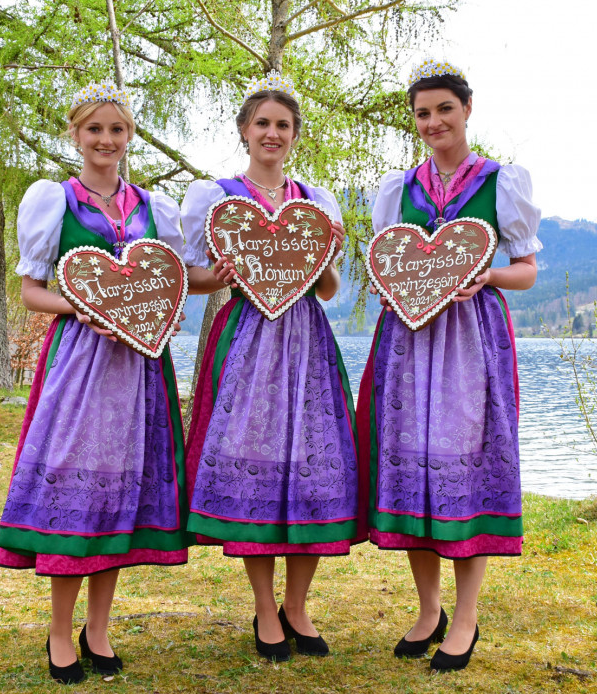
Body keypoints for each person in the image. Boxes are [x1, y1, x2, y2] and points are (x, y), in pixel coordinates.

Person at [0, 82, 189, 685]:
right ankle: (59, 631)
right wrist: (79, 308)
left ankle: (98, 628)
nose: (106, 141)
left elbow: (168, 283)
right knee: (72, 495)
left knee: (117, 497)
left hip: (138, 369)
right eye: (95, 130)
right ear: (76, 135)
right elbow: (29, 290)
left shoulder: (155, 209)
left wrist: (168, 307)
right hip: (80, 363)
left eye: (117, 130)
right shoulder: (56, 200)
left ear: (129, 136)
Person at [356, 59, 542, 673]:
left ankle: (466, 616)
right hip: (409, 342)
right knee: (417, 466)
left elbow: (527, 272)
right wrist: (397, 287)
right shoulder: (396, 189)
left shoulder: (500, 182)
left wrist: (481, 274)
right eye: (422, 113)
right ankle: (427, 609)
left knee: (463, 468)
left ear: (467, 111)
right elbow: (388, 264)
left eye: (444, 110)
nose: (434, 122)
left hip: (470, 342)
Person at [181, 71, 359, 662]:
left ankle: (298, 605)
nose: (272, 133)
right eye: (263, 123)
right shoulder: (219, 198)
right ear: (243, 131)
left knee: (314, 469)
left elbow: (331, 290)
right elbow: (193, 279)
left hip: (307, 341)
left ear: (294, 135)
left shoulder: (317, 202)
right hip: (248, 339)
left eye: (283, 125)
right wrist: (223, 275)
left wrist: (322, 256)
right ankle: (264, 609)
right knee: (254, 468)